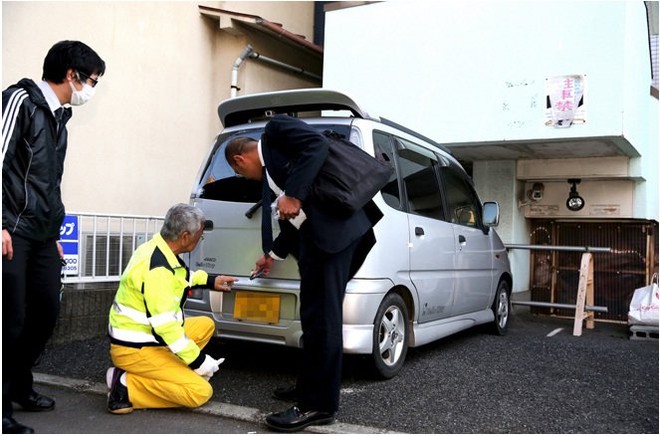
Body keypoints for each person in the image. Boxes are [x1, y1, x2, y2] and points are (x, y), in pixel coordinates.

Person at [226, 115, 382, 432]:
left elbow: (317, 145)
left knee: (323, 320)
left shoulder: (276, 131)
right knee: (313, 318)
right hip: (322, 241)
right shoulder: (277, 173)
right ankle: (308, 387)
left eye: (239, 171)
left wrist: (293, 194)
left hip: (338, 238)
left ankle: (318, 406)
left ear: (240, 159)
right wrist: (273, 254)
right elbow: (298, 214)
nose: (244, 177)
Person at [2, 40, 106, 434]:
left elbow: (48, 182)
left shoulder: (59, 116)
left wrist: (54, 229)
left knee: (45, 312)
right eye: (92, 80)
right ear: (70, 75)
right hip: (11, 230)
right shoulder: (19, 101)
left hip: (42, 234)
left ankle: (18, 387)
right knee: (8, 321)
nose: (91, 89)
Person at [106, 203, 236, 415]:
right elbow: (167, 329)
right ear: (185, 236)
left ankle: (164, 372)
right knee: (199, 391)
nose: (200, 239)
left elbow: (180, 277)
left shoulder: (157, 250)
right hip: (136, 350)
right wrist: (200, 363)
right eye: (200, 235)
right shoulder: (157, 270)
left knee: (205, 325)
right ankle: (126, 385)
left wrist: (212, 281)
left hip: (145, 338)